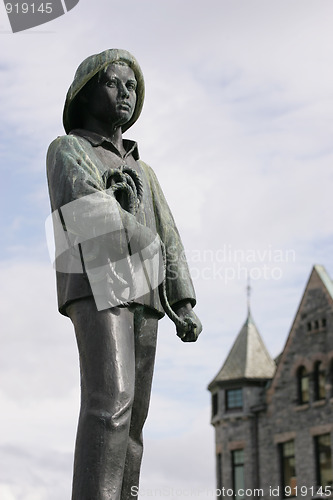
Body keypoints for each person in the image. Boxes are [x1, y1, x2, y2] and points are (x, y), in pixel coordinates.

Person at [46, 48, 202, 500]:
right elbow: (87, 211)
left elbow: (168, 234)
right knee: (109, 405)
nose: (125, 94)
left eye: (132, 87)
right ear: (87, 90)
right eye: (113, 83)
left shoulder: (144, 171)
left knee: (135, 420)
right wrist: (135, 223)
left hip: (147, 294)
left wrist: (184, 300)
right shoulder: (69, 149)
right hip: (96, 282)